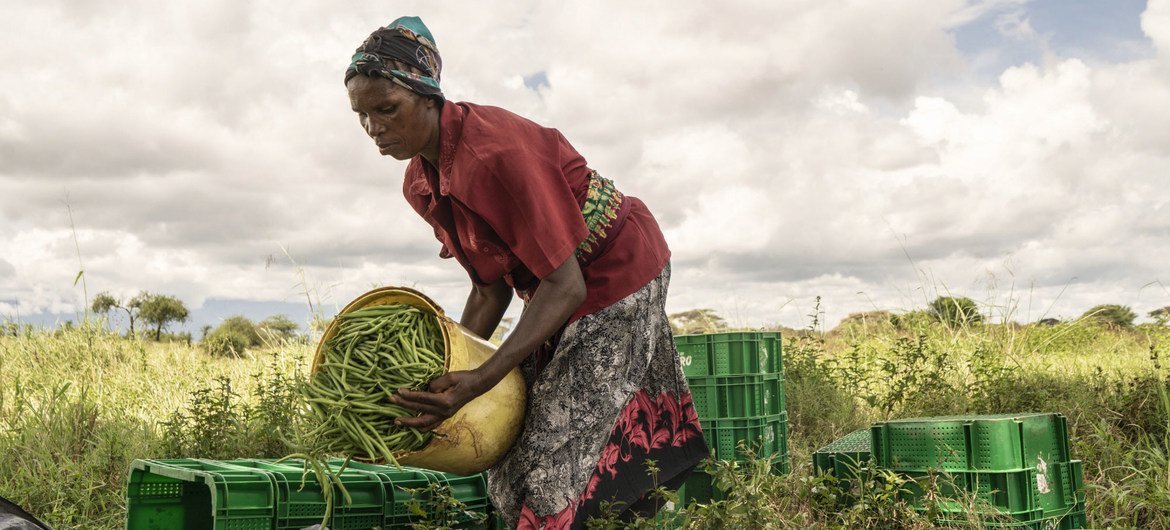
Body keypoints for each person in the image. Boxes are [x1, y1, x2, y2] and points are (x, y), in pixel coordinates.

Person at [344, 16, 709, 529]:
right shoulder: (420, 182)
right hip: (552, 287)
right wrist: (443, 370)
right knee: (508, 472)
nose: (374, 127)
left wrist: (480, 379)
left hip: (614, 270)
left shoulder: (492, 155)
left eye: (387, 109)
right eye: (361, 115)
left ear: (429, 96)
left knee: (553, 463)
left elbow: (568, 285)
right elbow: (488, 288)